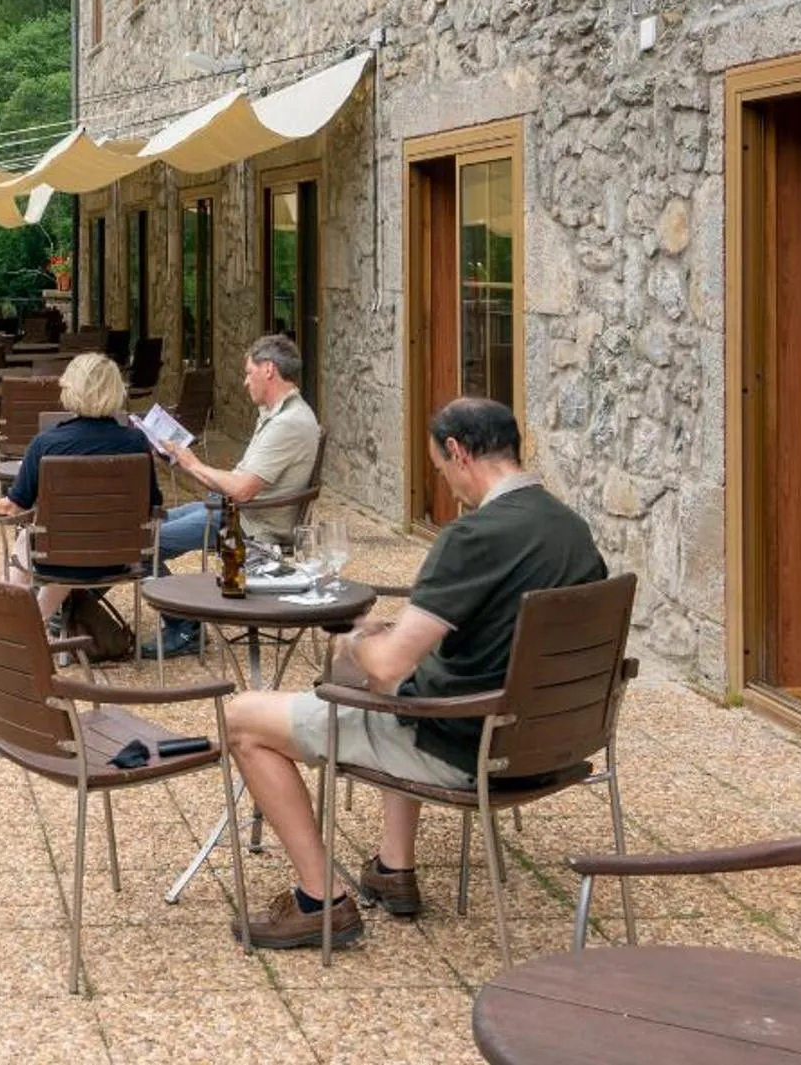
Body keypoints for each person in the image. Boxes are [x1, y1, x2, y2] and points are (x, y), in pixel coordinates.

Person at [219, 397, 605, 949]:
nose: (446, 484)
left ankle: (318, 899)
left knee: (243, 718)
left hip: (462, 746)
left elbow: (388, 663)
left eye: (441, 468)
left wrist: (353, 631)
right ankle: (393, 867)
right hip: (549, 744)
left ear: (458, 451)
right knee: (399, 678)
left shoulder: (473, 537)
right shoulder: (572, 530)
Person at [141, 333, 323, 659]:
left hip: (244, 526)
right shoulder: (279, 413)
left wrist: (192, 463)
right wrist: (186, 463)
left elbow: (241, 488)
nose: (244, 382)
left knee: (139, 544)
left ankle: (185, 629)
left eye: (248, 372)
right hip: (232, 510)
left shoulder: (288, 423)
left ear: (269, 370)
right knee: (147, 524)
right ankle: (73, 608)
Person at [0, 350, 159, 628]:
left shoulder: (45, 443)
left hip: (58, 559)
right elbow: (153, 503)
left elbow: (15, 507)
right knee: (64, 542)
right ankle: (35, 621)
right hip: (121, 559)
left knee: (34, 538)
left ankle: (15, 620)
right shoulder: (136, 442)